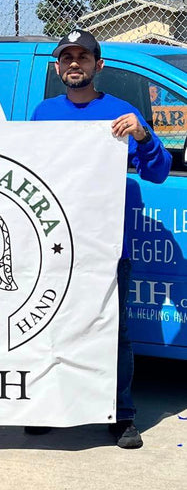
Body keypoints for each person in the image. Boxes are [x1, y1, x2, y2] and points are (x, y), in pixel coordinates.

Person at [28, 29, 171, 449]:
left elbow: (158, 172)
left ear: (98, 64)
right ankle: (46, 406)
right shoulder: (42, 113)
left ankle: (120, 413)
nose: (75, 64)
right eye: (67, 58)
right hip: (54, 244)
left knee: (114, 330)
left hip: (108, 245)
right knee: (50, 326)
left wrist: (143, 135)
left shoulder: (123, 112)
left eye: (83, 57)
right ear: (58, 67)